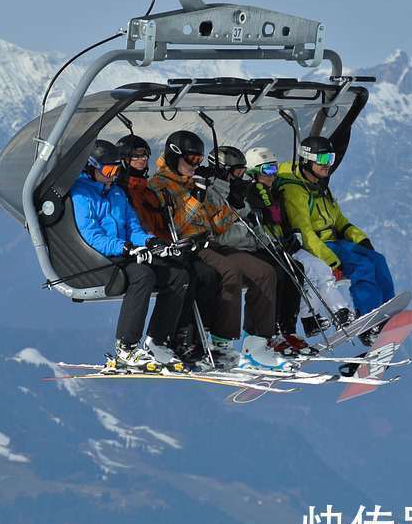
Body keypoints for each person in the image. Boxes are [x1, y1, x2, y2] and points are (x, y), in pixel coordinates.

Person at [148, 131, 287, 368]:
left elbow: (219, 224)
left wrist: (233, 202)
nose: (195, 166)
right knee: (229, 272)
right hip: (187, 244)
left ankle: (257, 342)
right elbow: (176, 225)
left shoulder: (194, 182)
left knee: (265, 272)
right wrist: (196, 198)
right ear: (174, 156)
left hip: (211, 241)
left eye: (198, 161)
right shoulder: (159, 184)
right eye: (191, 160)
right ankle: (220, 342)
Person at [70, 139, 190, 369]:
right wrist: (125, 248)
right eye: (108, 169)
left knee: (177, 275)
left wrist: (150, 241)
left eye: (117, 169)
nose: (113, 174)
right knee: (142, 275)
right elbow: (91, 236)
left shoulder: (116, 193)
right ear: (92, 167)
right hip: (99, 257)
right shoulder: (81, 194)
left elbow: (133, 228)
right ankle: (126, 347)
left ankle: (157, 340)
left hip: (123, 251)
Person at [278, 136, 395, 343]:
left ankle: (386, 314)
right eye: (322, 159)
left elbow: (339, 220)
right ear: (307, 159)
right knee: (362, 266)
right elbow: (305, 233)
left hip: (336, 243)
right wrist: (333, 261)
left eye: (330, 158)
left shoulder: (320, 185)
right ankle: (368, 320)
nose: (328, 164)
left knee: (377, 259)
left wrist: (360, 239)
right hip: (320, 247)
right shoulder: (294, 190)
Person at [115, 133, 219, 364]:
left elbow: (166, 221)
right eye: (135, 157)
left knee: (202, 273)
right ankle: (167, 338)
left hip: (161, 244)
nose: (142, 160)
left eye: (145, 155)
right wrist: (153, 243)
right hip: (142, 249)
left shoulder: (146, 188)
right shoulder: (128, 189)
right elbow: (139, 225)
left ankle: (185, 337)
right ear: (123, 160)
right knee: (184, 274)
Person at [209, 146, 314, 357]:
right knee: (267, 272)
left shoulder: (239, 189)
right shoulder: (212, 192)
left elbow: (254, 224)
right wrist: (243, 224)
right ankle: (258, 335)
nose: (241, 175)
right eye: (236, 171)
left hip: (249, 245)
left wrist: (272, 242)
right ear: (223, 169)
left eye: (242, 170)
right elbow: (220, 232)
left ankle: (286, 329)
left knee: (292, 268)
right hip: (229, 248)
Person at [242, 146, 354, 339]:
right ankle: (317, 317)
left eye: (274, 169)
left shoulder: (273, 192)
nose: (272, 174)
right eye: (267, 170)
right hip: (274, 248)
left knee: (321, 269)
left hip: (287, 244)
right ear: (254, 172)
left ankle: (331, 314)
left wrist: (292, 234)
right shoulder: (255, 193)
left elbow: (281, 220)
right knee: (305, 271)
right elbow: (264, 223)